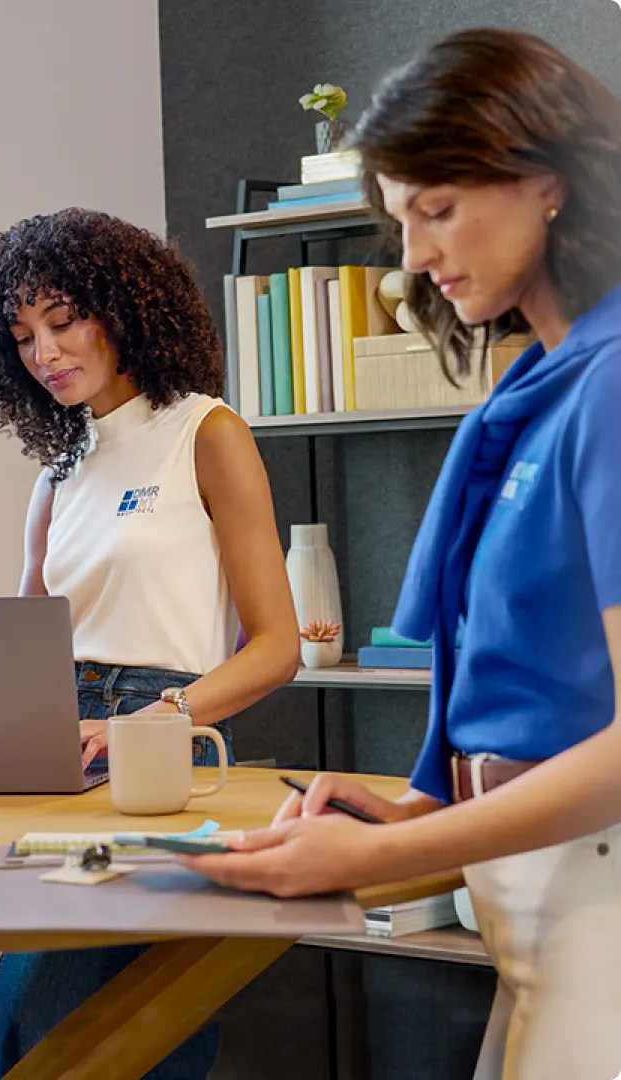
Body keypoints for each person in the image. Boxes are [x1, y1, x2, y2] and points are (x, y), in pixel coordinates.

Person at [183, 27, 621, 1080]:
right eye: (402, 217)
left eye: (438, 208)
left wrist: (384, 853)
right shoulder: (541, 385)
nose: (415, 255)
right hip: (534, 879)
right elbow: (548, 694)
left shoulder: (610, 388)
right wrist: (413, 804)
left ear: (548, 179)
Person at [0, 208, 300, 1078]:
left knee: (119, 1011)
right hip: (66, 746)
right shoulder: (58, 473)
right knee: (34, 1008)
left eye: (63, 320)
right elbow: (25, 656)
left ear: (123, 310)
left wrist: (151, 719)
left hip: (164, 742)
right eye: (23, 335)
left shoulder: (206, 432)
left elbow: (276, 646)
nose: (45, 352)